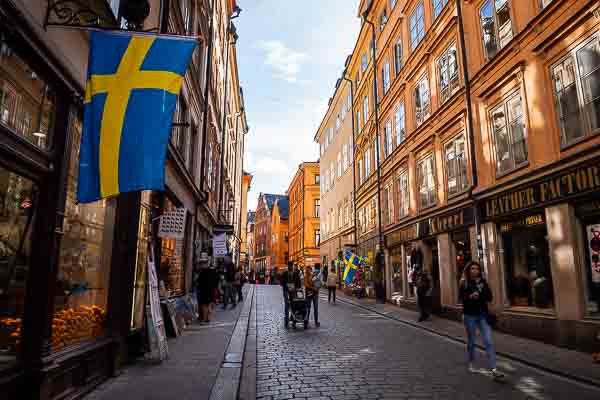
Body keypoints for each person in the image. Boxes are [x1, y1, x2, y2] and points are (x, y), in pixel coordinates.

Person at [459, 261, 504, 379]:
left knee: (488, 341)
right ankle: (472, 362)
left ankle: (494, 369)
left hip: (483, 315)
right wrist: (470, 297)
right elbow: (462, 300)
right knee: (472, 341)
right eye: (472, 269)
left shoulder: (483, 282)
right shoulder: (464, 283)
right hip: (470, 316)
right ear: (468, 270)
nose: (475, 271)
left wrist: (480, 292)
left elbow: (490, 297)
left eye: (477, 269)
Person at [196, 254, 218, 323]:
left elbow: (200, 281)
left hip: (204, 290)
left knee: (204, 305)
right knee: (208, 305)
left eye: (202, 263)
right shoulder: (211, 271)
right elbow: (215, 281)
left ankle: (204, 319)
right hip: (210, 290)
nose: (201, 264)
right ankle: (208, 318)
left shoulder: (204, 272)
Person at [280, 262, 296, 328]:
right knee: (287, 305)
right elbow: (281, 281)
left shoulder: (295, 273)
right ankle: (287, 319)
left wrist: (295, 286)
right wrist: (286, 285)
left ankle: (293, 318)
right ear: (288, 266)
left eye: (291, 266)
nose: (290, 267)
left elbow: (298, 282)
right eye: (289, 266)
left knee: (293, 304)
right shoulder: (284, 273)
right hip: (286, 290)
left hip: (293, 290)